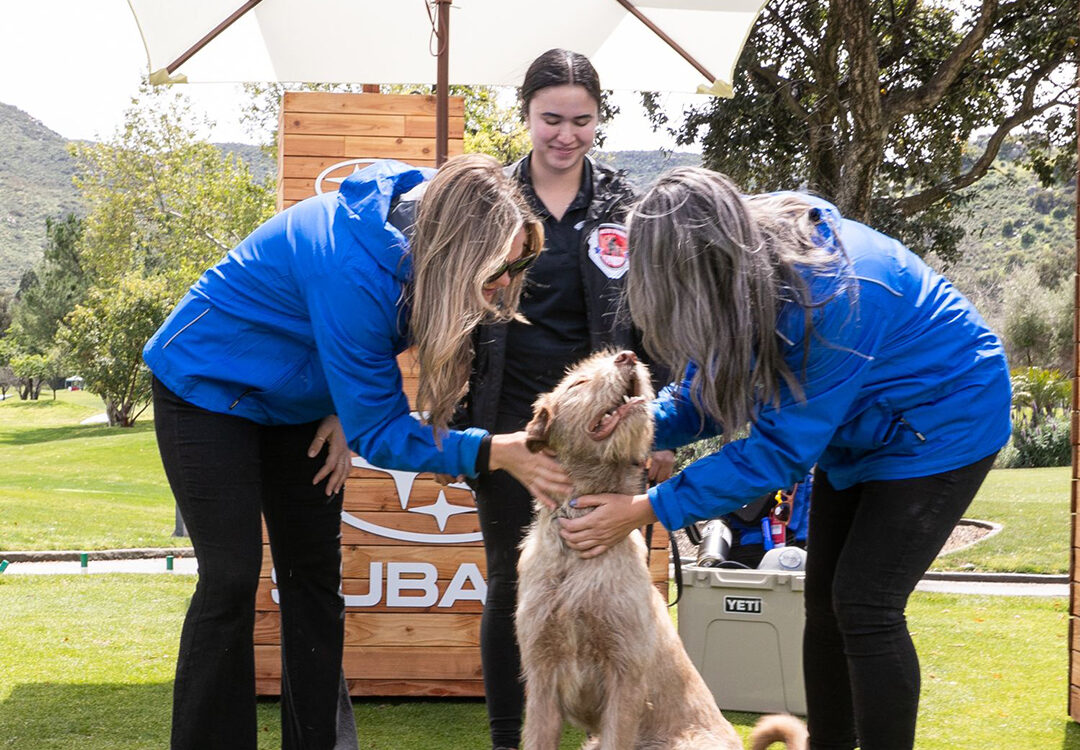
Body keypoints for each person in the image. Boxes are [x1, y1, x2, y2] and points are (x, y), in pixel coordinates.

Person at [559, 167, 1011, 750]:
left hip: (946, 418)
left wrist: (645, 508)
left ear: (702, 268)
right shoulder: (734, 269)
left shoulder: (833, 296)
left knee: (865, 603)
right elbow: (705, 394)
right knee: (822, 603)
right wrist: (636, 423)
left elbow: (775, 452)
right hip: (858, 431)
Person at [144, 154, 572, 750]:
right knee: (233, 578)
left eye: (520, 260)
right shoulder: (351, 264)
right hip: (205, 387)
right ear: (458, 247)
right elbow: (382, 432)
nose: (506, 281)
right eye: (501, 264)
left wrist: (343, 406)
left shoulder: (423, 223)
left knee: (313, 576)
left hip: (295, 404)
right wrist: (494, 451)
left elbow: (357, 370)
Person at [449, 49, 667, 750]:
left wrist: (656, 434)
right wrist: (472, 434)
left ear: (599, 120)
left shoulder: (624, 208)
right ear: (526, 118)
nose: (565, 135)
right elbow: (454, 318)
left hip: (607, 434)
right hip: (519, 434)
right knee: (517, 590)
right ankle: (510, 739)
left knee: (612, 594)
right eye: (551, 119)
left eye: (581, 120)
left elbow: (651, 324)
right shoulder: (491, 204)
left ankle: (614, 735)